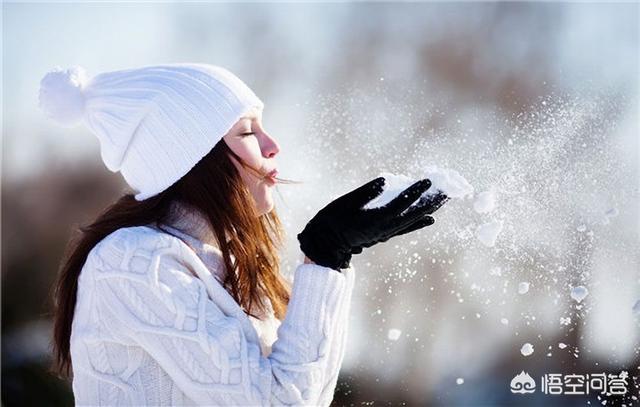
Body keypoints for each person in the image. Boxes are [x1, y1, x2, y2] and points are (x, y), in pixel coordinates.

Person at [39, 63, 445, 406]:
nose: (272, 146)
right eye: (248, 132)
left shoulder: (225, 261)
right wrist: (324, 257)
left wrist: (331, 260)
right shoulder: (135, 263)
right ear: (195, 157)